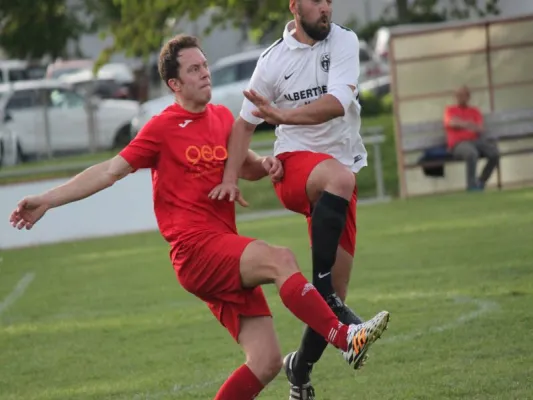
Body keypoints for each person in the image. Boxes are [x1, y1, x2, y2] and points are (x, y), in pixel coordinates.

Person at [8, 34, 389, 400]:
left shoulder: (222, 118)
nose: (205, 72)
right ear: (174, 83)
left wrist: (267, 165)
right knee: (280, 259)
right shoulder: (161, 127)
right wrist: (47, 199)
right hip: (194, 250)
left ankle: (336, 340)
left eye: (205, 65)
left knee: (266, 362)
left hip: (221, 249)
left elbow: (249, 166)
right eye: (194, 69)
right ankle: (344, 338)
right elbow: (109, 171)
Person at [208, 0, 388, 397]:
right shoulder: (272, 61)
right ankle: (340, 317)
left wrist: (283, 114)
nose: (326, 7)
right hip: (294, 169)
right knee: (339, 179)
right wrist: (229, 177)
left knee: (331, 297)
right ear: (294, 7)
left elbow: (337, 103)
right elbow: (243, 125)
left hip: (337, 179)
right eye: (316, 1)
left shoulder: (343, 41)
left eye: (329, 1)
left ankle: (299, 368)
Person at [444, 85, 500, 191]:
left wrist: (460, 123)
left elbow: (480, 128)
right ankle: (471, 186)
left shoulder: (475, 111)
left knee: (494, 153)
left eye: (462, 95)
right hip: (458, 144)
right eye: (457, 95)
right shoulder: (450, 110)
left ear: (468, 97)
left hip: (475, 141)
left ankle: (481, 181)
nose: (459, 98)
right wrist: (468, 124)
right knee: (471, 153)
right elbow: (451, 123)